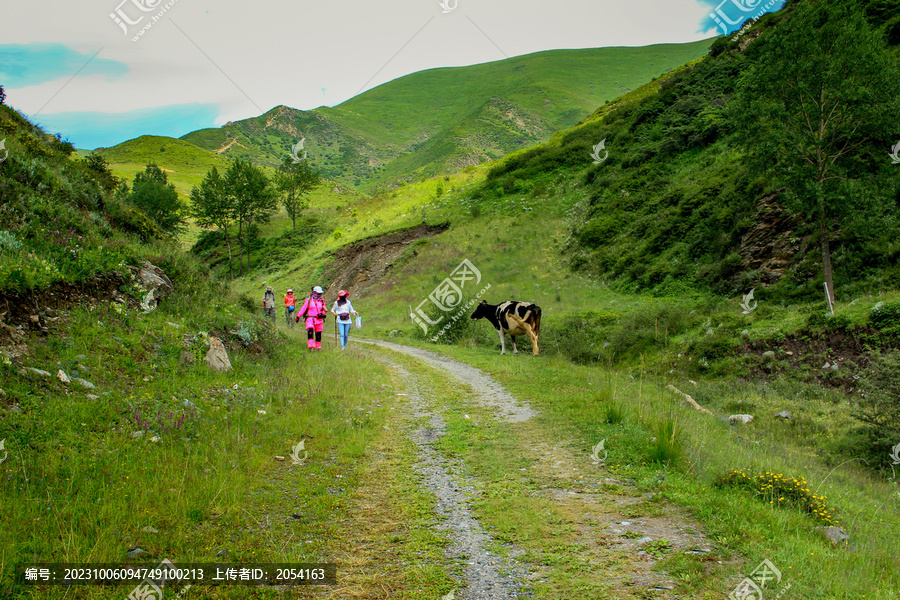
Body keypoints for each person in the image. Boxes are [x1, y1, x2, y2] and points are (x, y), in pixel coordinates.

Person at [297, 285, 327, 350]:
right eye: (318, 293)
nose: (319, 295)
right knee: (310, 330)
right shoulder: (309, 300)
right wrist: (298, 316)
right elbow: (304, 308)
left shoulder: (321, 301)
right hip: (310, 318)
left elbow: (324, 309)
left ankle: (318, 347)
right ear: (314, 293)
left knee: (318, 333)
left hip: (319, 319)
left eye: (320, 294)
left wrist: (323, 314)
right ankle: (311, 346)